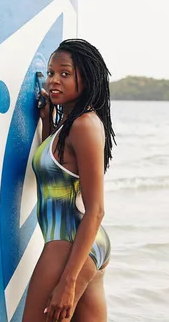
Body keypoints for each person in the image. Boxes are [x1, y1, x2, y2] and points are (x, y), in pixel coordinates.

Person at [22, 38, 115, 322]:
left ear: (85, 79)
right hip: (85, 247)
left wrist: (68, 281)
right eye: (51, 73)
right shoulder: (69, 125)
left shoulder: (84, 125)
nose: (54, 81)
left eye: (65, 74)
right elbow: (57, 165)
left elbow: (96, 209)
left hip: (68, 244)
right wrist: (47, 120)